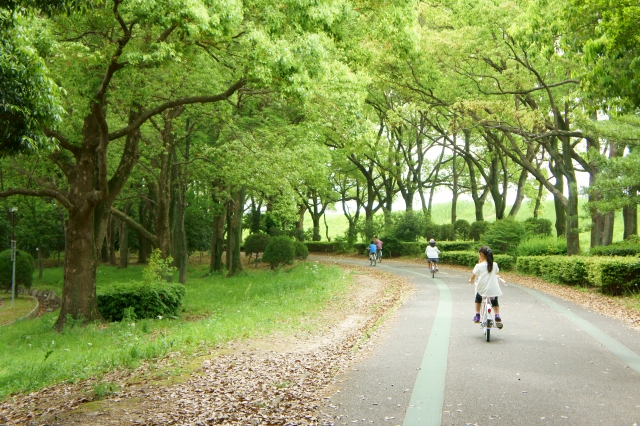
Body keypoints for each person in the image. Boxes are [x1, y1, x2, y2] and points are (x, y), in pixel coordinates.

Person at [469, 246, 503, 328]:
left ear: (481, 254)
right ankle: (497, 315)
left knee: (478, 298)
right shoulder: (494, 265)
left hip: (482, 290)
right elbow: (497, 271)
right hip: (493, 290)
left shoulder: (479, 266)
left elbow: (474, 276)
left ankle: (477, 315)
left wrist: (471, 280)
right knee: (495, 301)